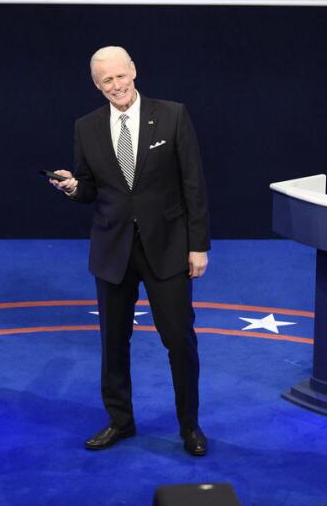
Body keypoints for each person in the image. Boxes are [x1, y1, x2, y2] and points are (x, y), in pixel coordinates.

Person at [50, 46, 210, 456]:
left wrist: (198, 246)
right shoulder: (86, 127)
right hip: (112, 250)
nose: (117, 86)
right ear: (96, 84)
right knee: (114, 343)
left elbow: (194, 185)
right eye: (107, 80)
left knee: (178, 340)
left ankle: (189, 426)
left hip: (169, 249)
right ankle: (120, 421)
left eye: (121, 76)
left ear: (134, 71)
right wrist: (72, 187)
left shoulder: (173, 115)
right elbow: (90, 187)